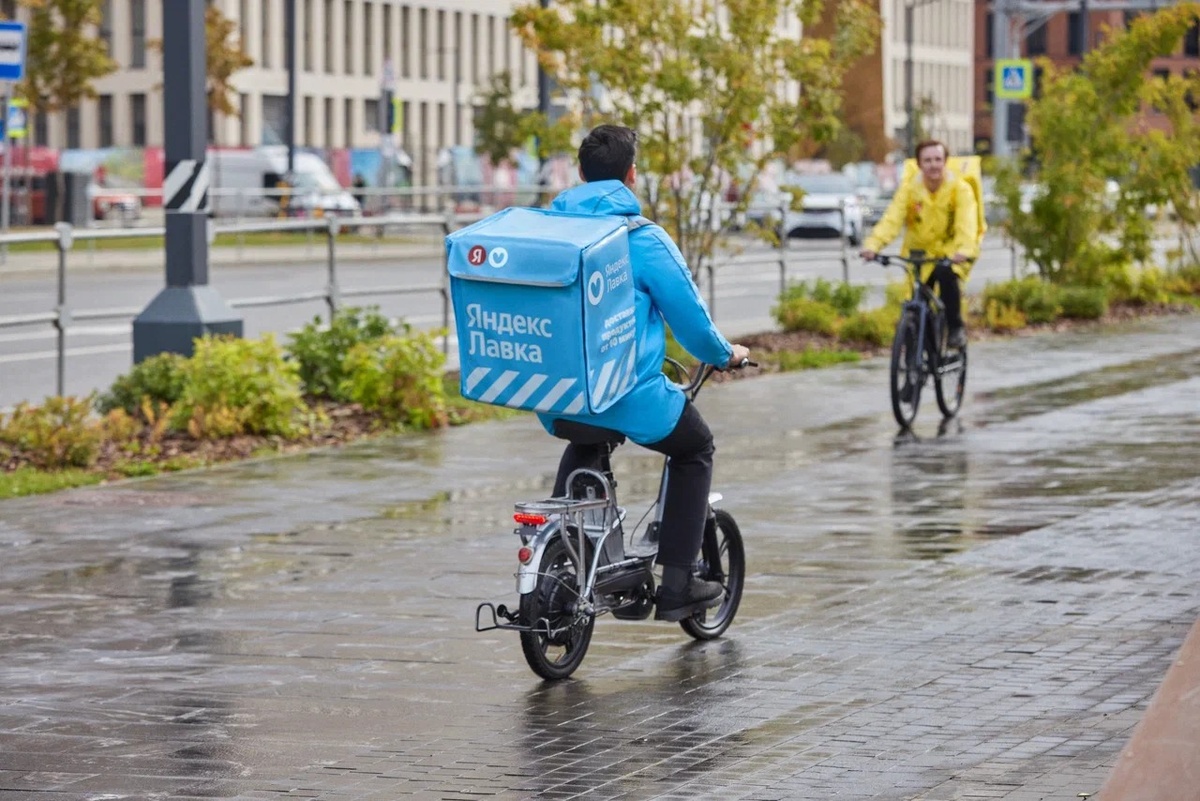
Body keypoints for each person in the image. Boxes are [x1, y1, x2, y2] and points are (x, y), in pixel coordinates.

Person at [537, 124, 751, 622]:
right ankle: (677, 582)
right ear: (631, 176)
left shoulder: (551, 232)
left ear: (581, 175)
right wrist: (726, 354)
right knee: (695, 447)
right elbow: (694, 327)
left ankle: (569, 556)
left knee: (587, 438)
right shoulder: (641, 239)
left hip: (557, 397)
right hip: (627, 393)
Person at [860, 140, 981, 348]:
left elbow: (967, 224)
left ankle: (955, 329)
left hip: (950, 252)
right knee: (915, 306)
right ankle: (916, 358)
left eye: (938, 159)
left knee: (946, 275)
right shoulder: (910, 190)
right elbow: (892, 219)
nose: (933, 165)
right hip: (918, 255)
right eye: (927, 160)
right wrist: (873, 245)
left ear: (945, 162)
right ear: (918, 164)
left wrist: (964, 249)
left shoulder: (959, 189)